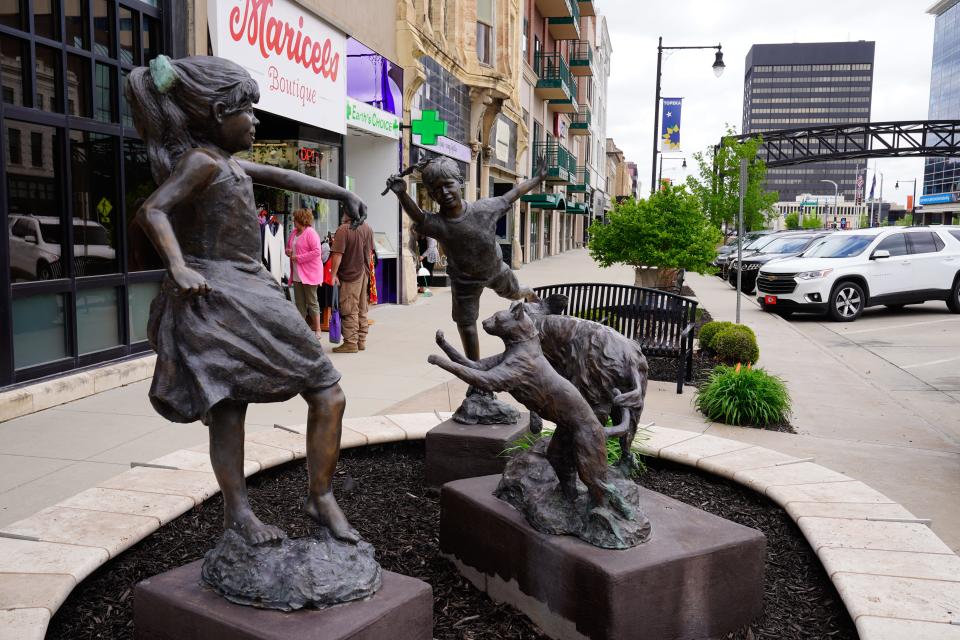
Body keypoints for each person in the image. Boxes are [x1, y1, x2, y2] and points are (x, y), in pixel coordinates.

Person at [126, 55, 367, 545]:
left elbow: (290, 179)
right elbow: (153, 211)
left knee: (327, 390)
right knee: (231, 404)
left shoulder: (227, 163)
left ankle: (319, 496)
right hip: (218, 293)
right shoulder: (200, 162)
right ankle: (239, 513)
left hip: (249, 286)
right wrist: (178, 265)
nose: (256, 121)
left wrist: (341, 191)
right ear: (217, 113)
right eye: (248, 111)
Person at [386, 157, 546, 363]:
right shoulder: (437, 223)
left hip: (496, 270)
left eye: (448, 185)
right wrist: (401, 193)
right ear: (432, 195)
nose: (443, 193)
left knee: (515, 292)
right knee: (466, 324)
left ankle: (531, 294)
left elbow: (513, 194)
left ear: (459, 183)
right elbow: (418, 217)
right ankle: (475, 368)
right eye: (436, 190)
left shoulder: (484, 209)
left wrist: (537, 178)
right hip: (464, 282)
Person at [328, 212, 374, 353]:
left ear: (348, 213)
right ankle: (361, 341)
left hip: (350, 274)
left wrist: (333, 274)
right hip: (363, 273)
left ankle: (350, 342)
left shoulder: (344, 229)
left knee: (349, 308)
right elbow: (370, 252)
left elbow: (337, 255)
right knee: (361, 308)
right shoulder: (367, 227)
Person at [286, 208, 324, 340]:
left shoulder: (311, 233)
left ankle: (317, 329)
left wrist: (299, 257)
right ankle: (301, 331)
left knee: (312, 302)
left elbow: (317, 252)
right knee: (300, 303)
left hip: (310, 273)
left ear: (301, 220)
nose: (293, 221)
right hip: (297, 273)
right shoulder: (294, 233)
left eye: (295, 218)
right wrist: (288, 251)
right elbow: (289, 247)